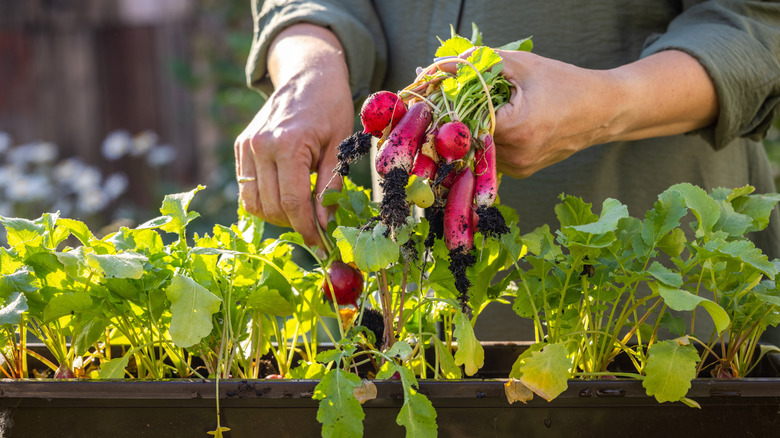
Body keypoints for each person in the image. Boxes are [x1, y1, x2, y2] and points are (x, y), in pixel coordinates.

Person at [234, 1, 780, 342]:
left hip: (657, 302)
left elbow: (753, 25)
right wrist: (311, 65)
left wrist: (607, 104)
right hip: (410, 315)